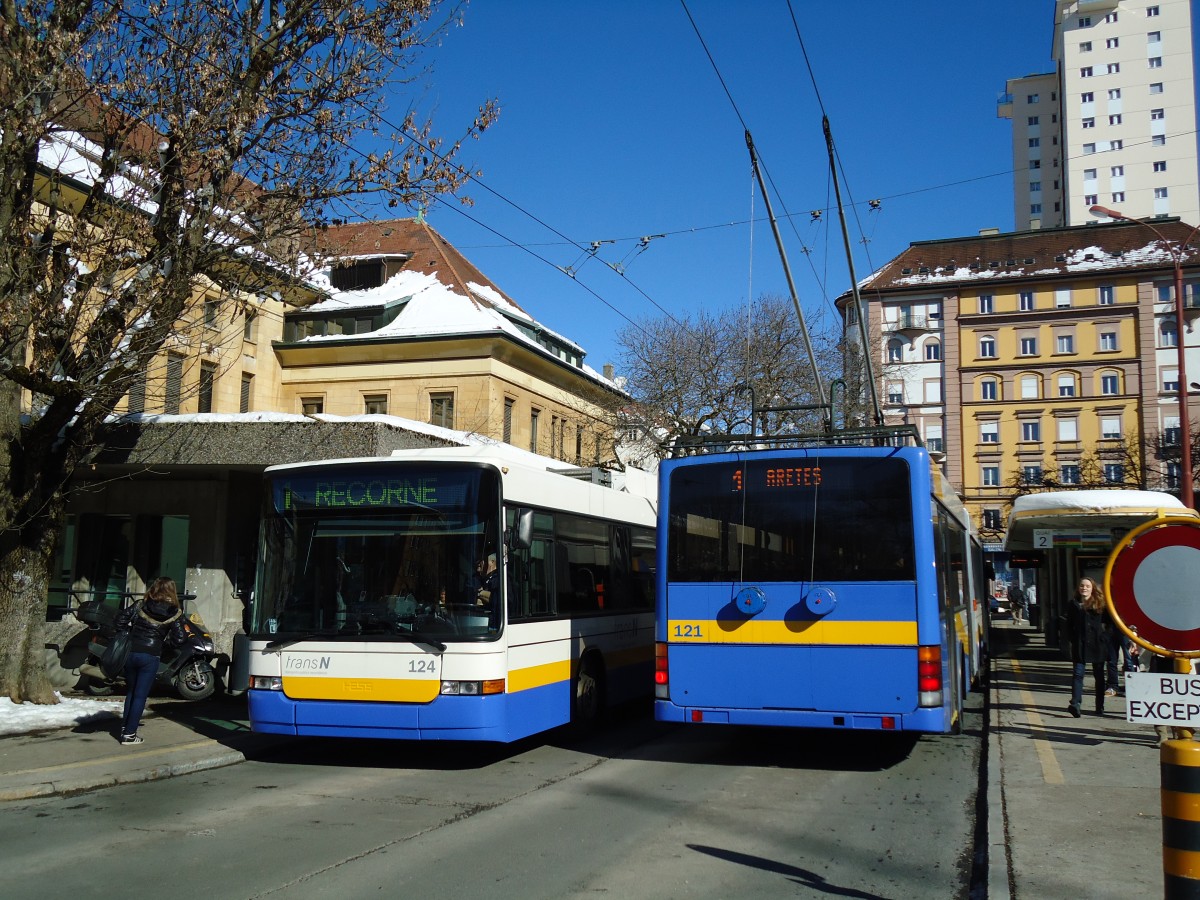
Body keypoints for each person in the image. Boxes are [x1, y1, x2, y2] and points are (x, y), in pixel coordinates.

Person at [113, 577, 191, 745]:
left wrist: (128, 633)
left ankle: (125, 728)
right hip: (151, 655)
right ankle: (130, 734)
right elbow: (180, 639)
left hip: (131, 652)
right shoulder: (175, 612)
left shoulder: (140, 604)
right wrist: (163, 645)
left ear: (153, 588)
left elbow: (119, 620)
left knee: (131, 693)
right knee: (140, 696)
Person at [1064, 576, 1118, 717]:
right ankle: (1075, 703)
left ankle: (1099, 706)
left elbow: (1111, 624)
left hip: (1097, 645)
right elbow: (1068, 624)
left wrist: (1105, 637)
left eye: (1087, 586)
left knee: (1099, 676)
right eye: (1082, 586)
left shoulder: (1100, 603)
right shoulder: (1074, 604)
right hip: (1080, 645)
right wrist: (1072, 639)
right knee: (1077, 674)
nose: (1084, 588)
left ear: (1092, 588)